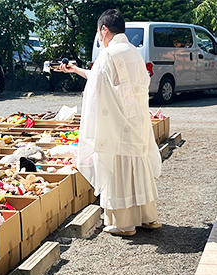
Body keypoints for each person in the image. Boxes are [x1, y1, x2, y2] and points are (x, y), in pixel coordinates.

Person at [59, 9, 161, 236]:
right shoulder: (134, 52)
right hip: (137, 122)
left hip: (117, 125)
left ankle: (123, 224)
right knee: (138, 168)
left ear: (104, 30)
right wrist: (75, 69)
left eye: (98, 32)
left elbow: (96, 88)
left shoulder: (108, 55)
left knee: (120, 170)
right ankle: (147, 217)